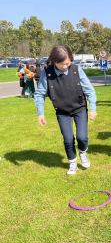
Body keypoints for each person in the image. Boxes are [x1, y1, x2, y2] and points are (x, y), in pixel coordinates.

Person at [34, 45, 97, 175]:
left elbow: (90, 90)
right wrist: (41, 113)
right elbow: (39, 93)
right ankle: (72, 163)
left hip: (79, 108)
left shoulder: (76, 70)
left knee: (82, 137)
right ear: (54, 61)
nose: (65, 66)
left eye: (68, 63)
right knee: (68, 139)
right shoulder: (47, 72)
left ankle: (83, 153)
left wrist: (93, 109)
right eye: (61, 64)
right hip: (62, 112)